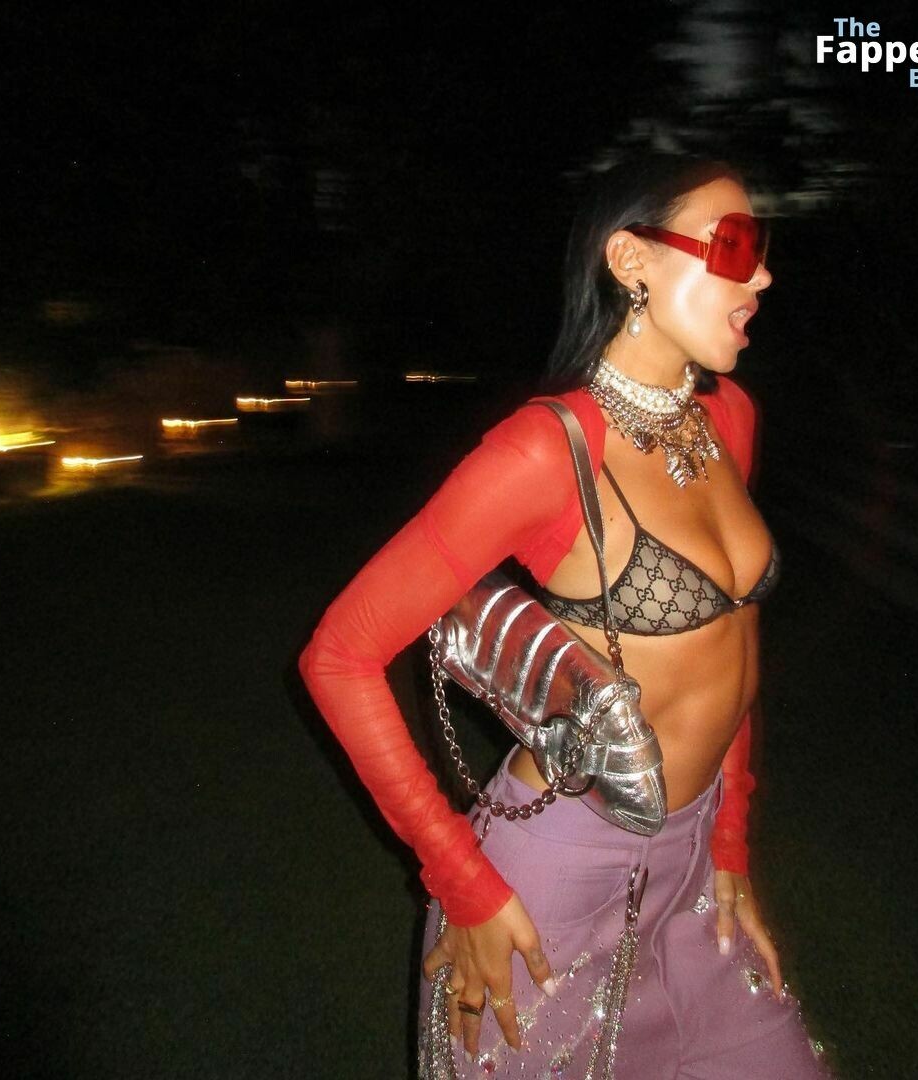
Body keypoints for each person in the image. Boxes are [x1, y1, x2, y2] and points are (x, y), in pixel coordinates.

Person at [300, 155, 830, 1077]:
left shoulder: (730, 419)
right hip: (555, 882)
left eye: (764, 248)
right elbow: (340, 655)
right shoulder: (546, 452)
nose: (763, 277)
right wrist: (462, 880)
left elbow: (734, 649)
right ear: (631, 259)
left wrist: (730, 840)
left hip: (695, 866)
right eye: (735, 247)